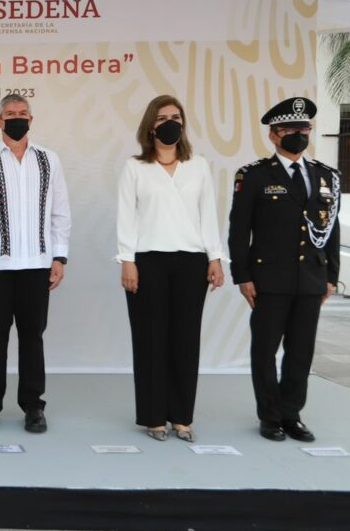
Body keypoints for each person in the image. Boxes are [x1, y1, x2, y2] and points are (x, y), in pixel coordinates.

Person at [228, 96, 339, 442]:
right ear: (274, 135)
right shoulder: (254, 175)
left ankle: (292, 414)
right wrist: (242, 276)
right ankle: (270, 416)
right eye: (291, 128)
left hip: (310, 279)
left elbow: (333, 229)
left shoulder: (326, 176)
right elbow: (238, 230)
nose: (299, 133)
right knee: (264, 350)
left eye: (304, 127)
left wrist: (332, 276)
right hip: (268, 280)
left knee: (301, 351)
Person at [0, 94, 70, 435]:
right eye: (10, 114)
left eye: (22, 113)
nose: (17, 118)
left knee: (32, 336)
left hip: (37, 263)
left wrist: (59, 256)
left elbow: (60, 211)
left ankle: (33, 406)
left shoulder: (49, 160)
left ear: (31, 119)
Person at [116, 95, 225, 443]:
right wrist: (127, 260)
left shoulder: (199, 165)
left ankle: (181, 417)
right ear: (151, 125)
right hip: (147, 261)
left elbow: (208, 213)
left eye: (176, 117)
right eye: (163, 117)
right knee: (150, 340)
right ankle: (153, 417)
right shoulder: (135, 167)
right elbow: (126, 216)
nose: (170, 122)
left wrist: (215, 257)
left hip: (191, 261)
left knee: (185, 339)